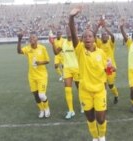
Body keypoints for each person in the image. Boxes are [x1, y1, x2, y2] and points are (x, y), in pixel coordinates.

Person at [69, 7, 108, 141]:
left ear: (94, 39)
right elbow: (74, 35)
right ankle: (95, 137)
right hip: (84, 91)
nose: (87, 38)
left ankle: (102, 136)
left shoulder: (101, 53)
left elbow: (107, 70)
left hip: (99, 90)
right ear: (81, 40)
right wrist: (71, 18)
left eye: (90, 36)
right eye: (84, 36)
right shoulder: (80, 50)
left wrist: (111, 69)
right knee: (90, 118)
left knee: (100, 117)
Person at [50, 27, 84, 119]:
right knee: (67, 90)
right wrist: (53, 44)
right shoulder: (63, 42)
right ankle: (71, 110)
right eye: (67, 30)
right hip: (67, 69)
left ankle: (82, 105)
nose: (69, 32)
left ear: (74, 31)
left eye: (71, 30)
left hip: (77, 69)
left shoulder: (77, 42)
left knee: (80, 89)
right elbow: (56, 52)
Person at [17, 32, 51, 118]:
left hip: (42, 76)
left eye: (33, 37)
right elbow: (19, 51)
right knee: (36, 95)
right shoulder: (28, 48)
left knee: (42, 95)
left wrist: (39, 62)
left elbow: (47, 60)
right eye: (30, 38)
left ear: (37, 39)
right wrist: (19, 40)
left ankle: (47, 108)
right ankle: (42, 110)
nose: (31, 39)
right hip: (31, 76)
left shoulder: (42, 48)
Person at [94, 18, 119, 104]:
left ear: (107, 37)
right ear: (101, 37)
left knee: (111, 85)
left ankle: (116, 95)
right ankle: (104, 103)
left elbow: (112, 36)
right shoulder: (99, 43)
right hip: (101, 68)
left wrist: (105, 28)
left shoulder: (110, 43)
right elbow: (93, 35)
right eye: (103, 35)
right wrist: (98, 26)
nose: (104, 36)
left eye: (106, 35)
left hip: (110, 68)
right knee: (103, 86)